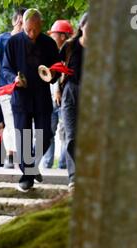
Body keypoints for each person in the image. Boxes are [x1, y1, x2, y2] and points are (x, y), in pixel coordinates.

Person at [2, 8, 61, 191]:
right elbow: (4, 69)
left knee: (46, 135)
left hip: (42, 96)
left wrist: (52, 74)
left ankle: (31, 166)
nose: (32, 33)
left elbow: (58, 68)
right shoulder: (13, 43)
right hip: (21, 97)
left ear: (40, 25)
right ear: (23, 25)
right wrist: (14, 79)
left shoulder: (49, 43)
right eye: (28, 30)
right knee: (23, 138)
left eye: (35, 29)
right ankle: (27, 176)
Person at [0, 7, 26, 169]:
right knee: (10, 121)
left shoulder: (29, 41)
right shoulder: (1, 39)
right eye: (21, 21)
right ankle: (11, 155)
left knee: (22, 121)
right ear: (14, 21)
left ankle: (20, 155)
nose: (23, 25)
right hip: (6, 88)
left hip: (25, 88)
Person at [59, 12, 88, 193]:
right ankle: (74, 177)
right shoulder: (70, 46)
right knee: (71, 135)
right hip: (70, 92)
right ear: (82, 27)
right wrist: (56, 89)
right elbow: (58, 68)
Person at [41, 20, 73, 169]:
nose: (52, 36)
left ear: (62, 36)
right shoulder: (49, 52)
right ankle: (46, 164)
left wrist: (59, 91)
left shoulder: (71, 54)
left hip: (66, 99)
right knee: (48, 132)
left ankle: (63, 165)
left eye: (54, 34)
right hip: (49, 99)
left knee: (66, 132)